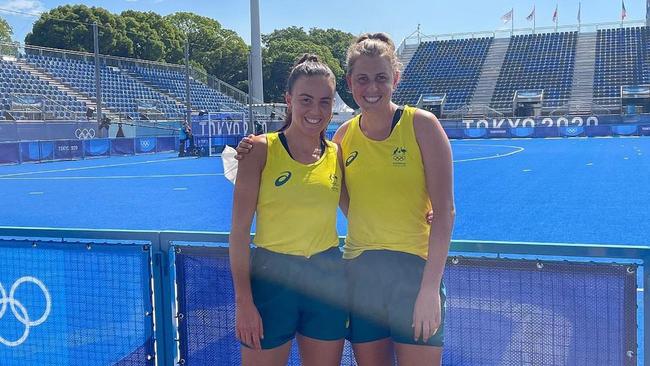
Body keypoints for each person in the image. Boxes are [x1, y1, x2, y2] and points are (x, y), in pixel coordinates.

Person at [236, 33, 455, 366]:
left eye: (381, 77)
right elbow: (347, 200)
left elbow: (445, 211)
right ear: (351, 83)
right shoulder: (342, 138)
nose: (372, 87)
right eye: (363, 79)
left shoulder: (421, 125)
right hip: (358, 273)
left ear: (395, 78)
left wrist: (429, 288)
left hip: (412, 274)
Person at [229, 54, 348, 366]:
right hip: (272, 278)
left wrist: (421, 213)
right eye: (305, 100)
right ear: (288, 101)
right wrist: (244, 302)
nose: (316, 110)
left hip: (327, 279)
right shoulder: (259, 149)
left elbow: (360, 211)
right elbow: (239, 233)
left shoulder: (336, 152)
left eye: (325, 102)